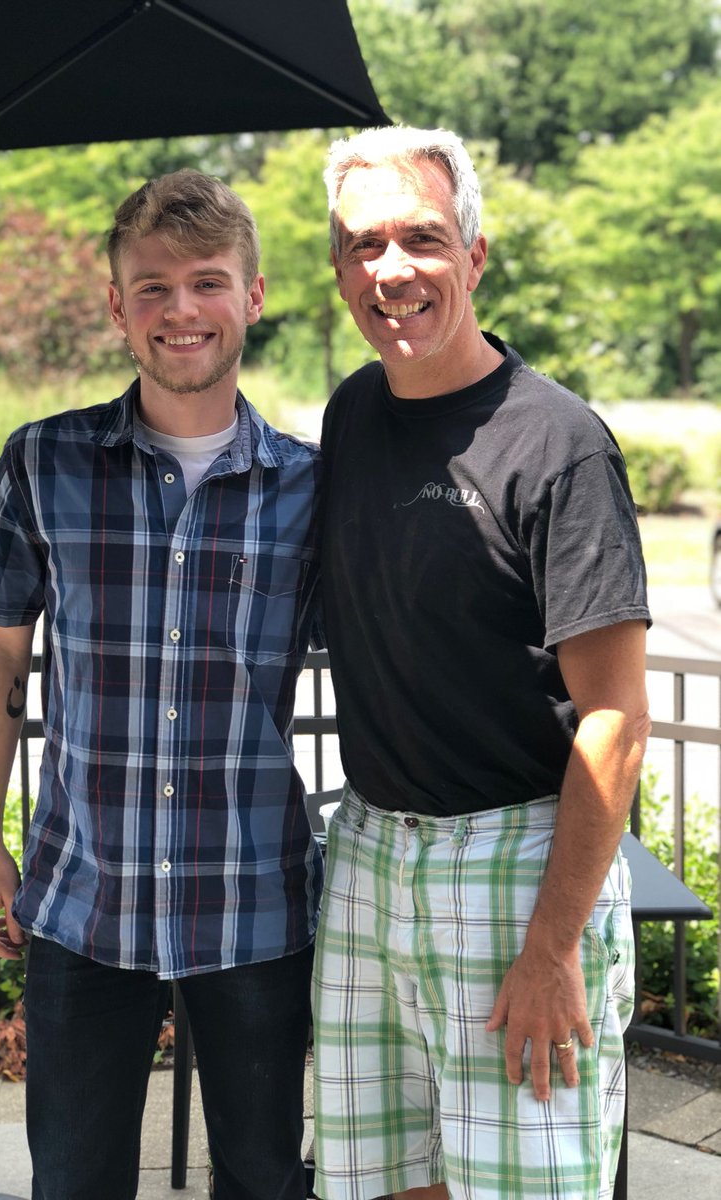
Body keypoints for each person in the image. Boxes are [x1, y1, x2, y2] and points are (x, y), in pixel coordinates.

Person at [0, 169, 322, 1200]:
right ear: (118, 308)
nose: (180, 309)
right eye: (152, 287)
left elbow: (392, 657)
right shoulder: (43, 462)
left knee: (262, 1178)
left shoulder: (311, 486)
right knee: (73, 1180)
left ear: (252, 296)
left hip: (252, 900)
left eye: (208, 282)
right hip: (83, 897)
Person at [311, 126, 652, 1200]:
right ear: (338, 271)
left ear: (475, 255)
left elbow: (616, 719)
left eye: (422, 238)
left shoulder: (560, 444)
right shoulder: (351, 413)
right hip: (369, 855)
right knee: (385, 1180)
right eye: (364, 245)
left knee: (524, 1185)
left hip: (518, 868)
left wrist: (553, 947)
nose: (392, 270)